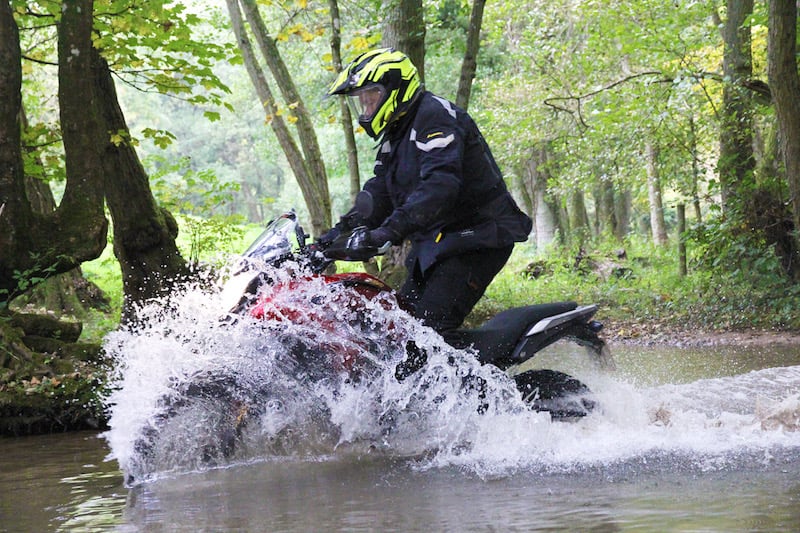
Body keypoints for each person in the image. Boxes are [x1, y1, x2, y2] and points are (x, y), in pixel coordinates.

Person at [319, 48, 532, 342]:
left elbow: (439, 187)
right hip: (435, 245)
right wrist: (332, 237)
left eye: (371, 96)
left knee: (426, 337)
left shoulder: (435, 118)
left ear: (395, 88)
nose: (365, 107)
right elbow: (379, 192)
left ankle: (490, 388)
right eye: (362, 101)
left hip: (477, 238)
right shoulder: (396, 133)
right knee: (397, 330)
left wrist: (387, 233)